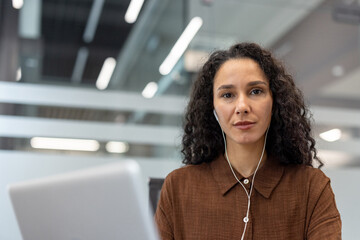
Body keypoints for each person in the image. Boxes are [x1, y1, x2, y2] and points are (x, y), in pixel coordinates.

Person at [154, 42, 341, 239]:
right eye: (227, 95)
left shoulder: (311, 187)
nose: (242, 106)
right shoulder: (179, 187)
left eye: (255, 91)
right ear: (212, 108)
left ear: (275, 101)